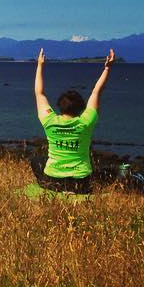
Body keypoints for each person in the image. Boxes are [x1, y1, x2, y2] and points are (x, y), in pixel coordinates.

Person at [31, 48, 121, 193]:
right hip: (81, 183)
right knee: (110, 172)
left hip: (53, 181)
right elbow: (96, 92)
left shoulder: (50, 120)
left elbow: (39, 93)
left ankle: (53, 187)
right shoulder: (86, 121)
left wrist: (40, 65)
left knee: (36, 161)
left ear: (59, 106)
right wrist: (107, 68)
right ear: (81, 108)